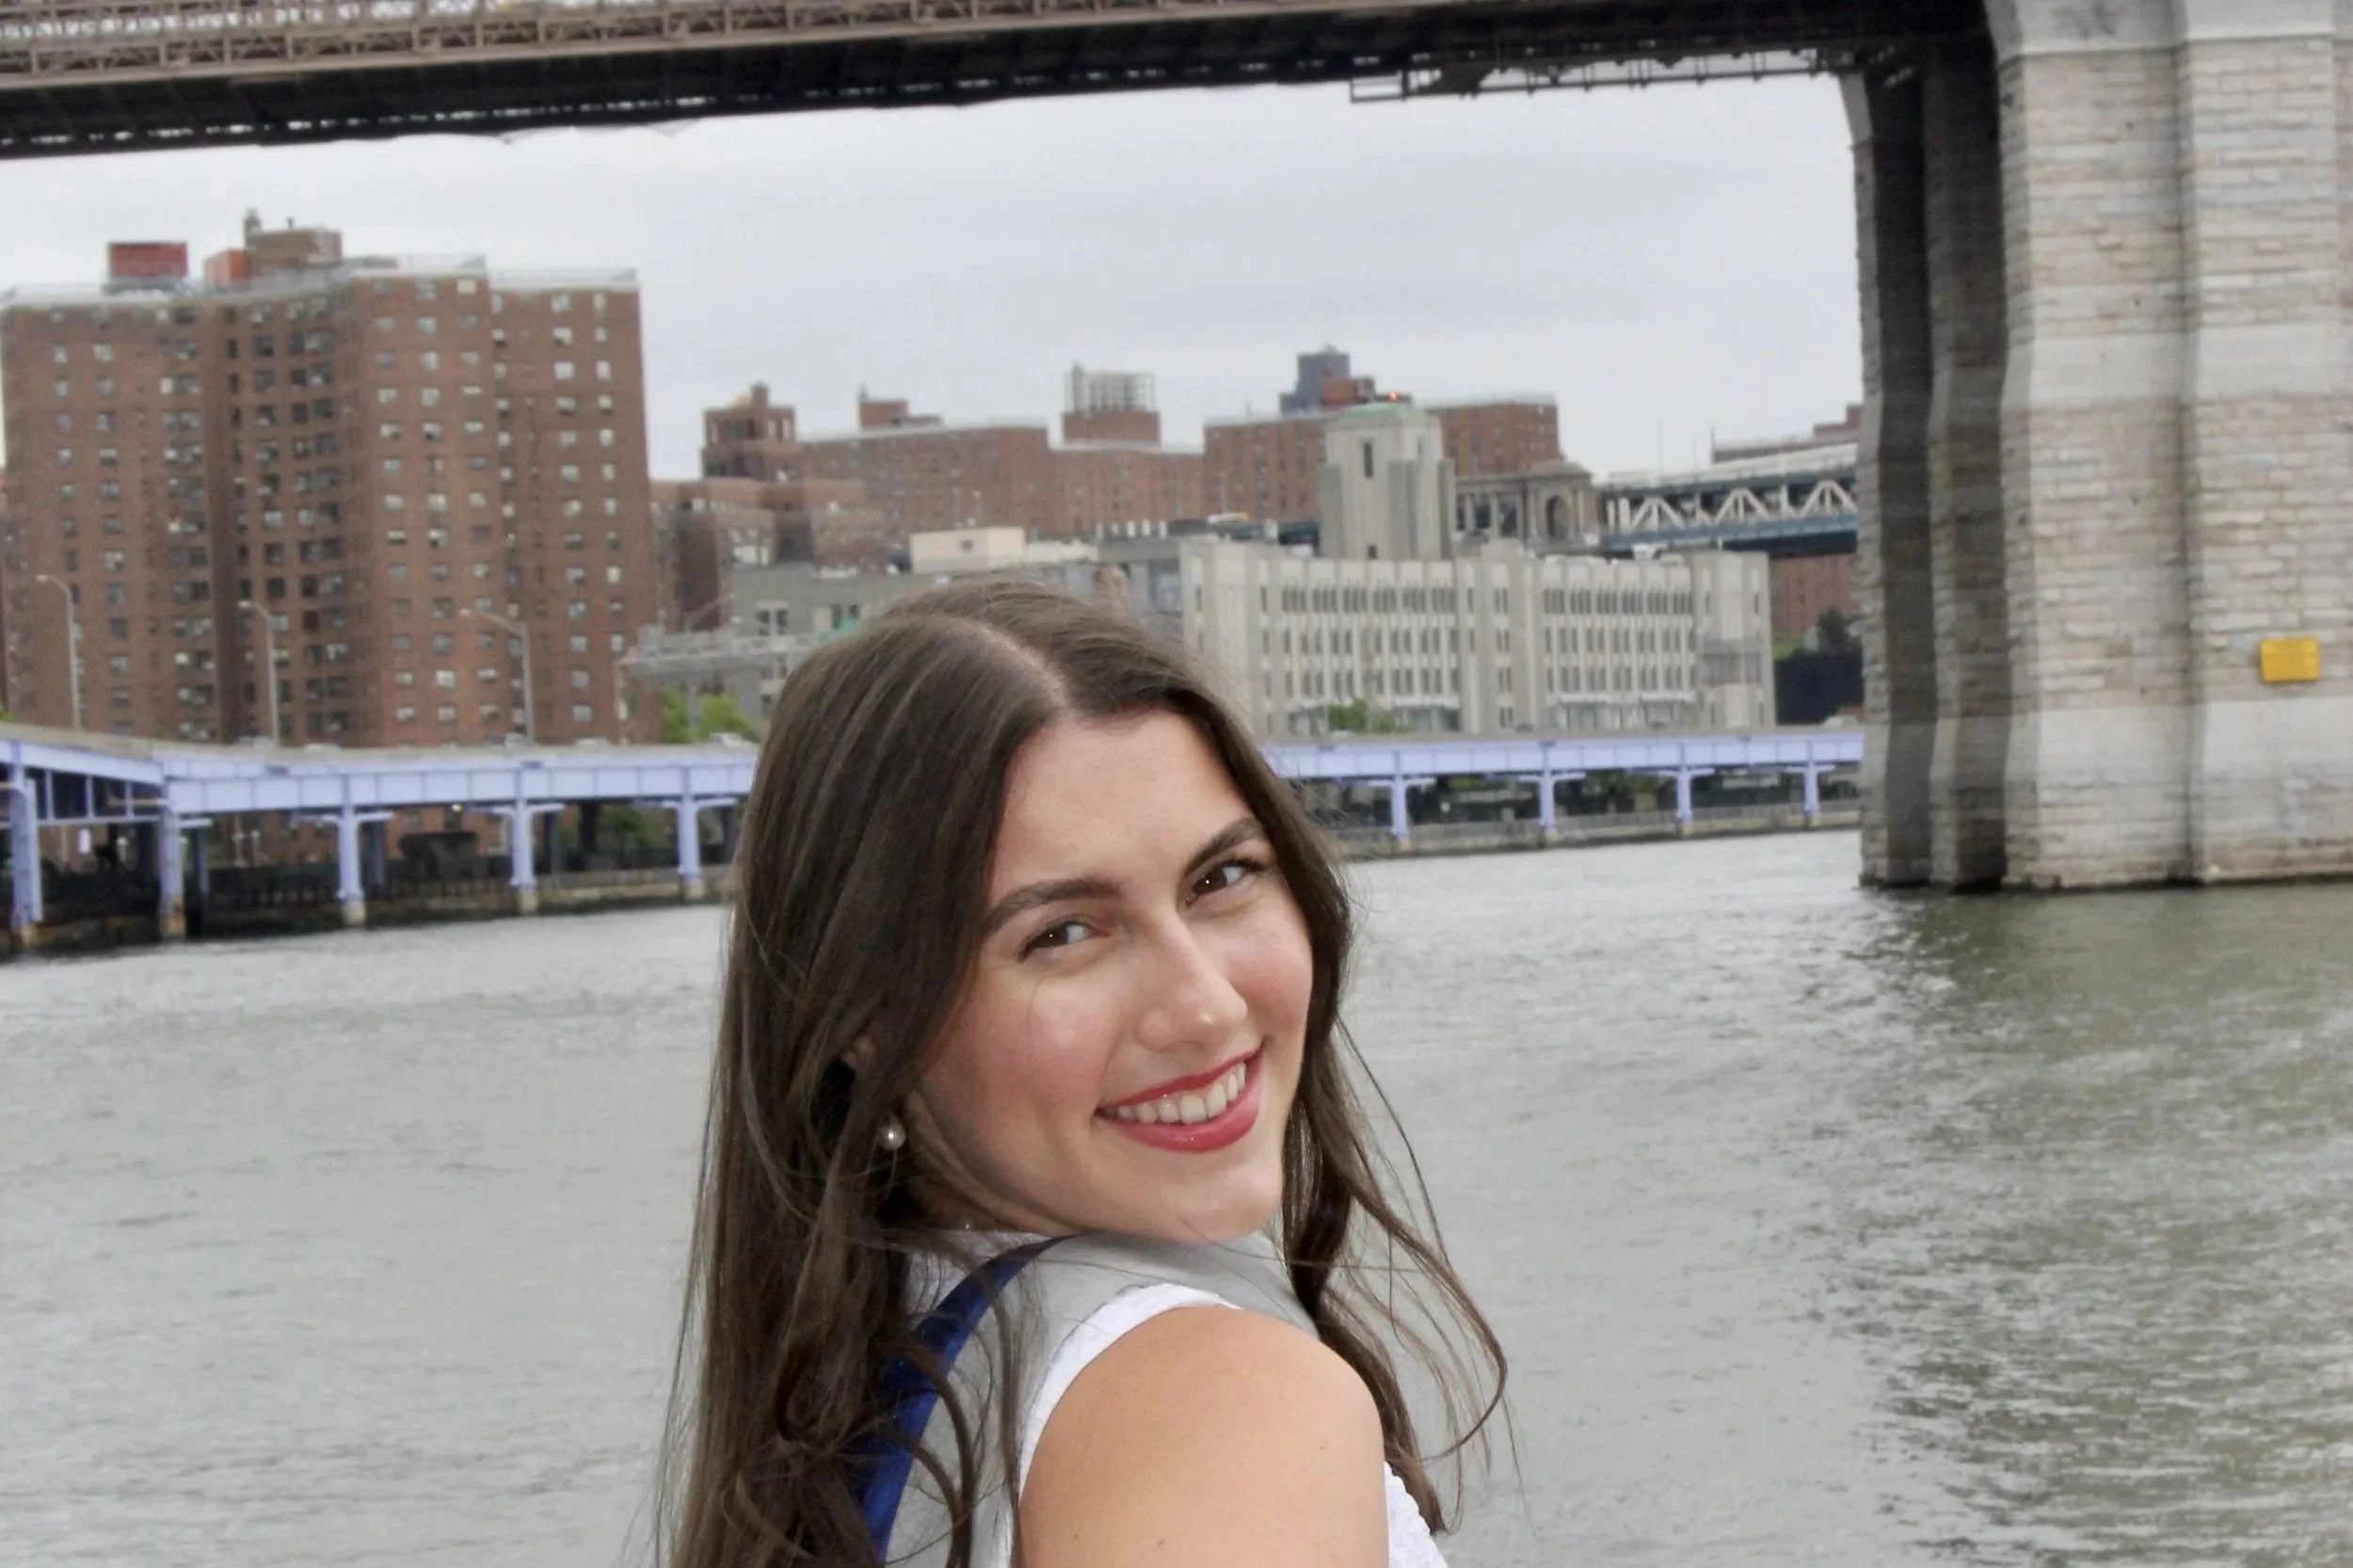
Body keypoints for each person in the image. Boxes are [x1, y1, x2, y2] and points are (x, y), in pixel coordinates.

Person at [659, 578, 1503, 1568]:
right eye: (1062, 934)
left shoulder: (870, 1408)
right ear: (868, 1020)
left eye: (1222, 877)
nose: (1205, 1006)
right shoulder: (1217, 1406)